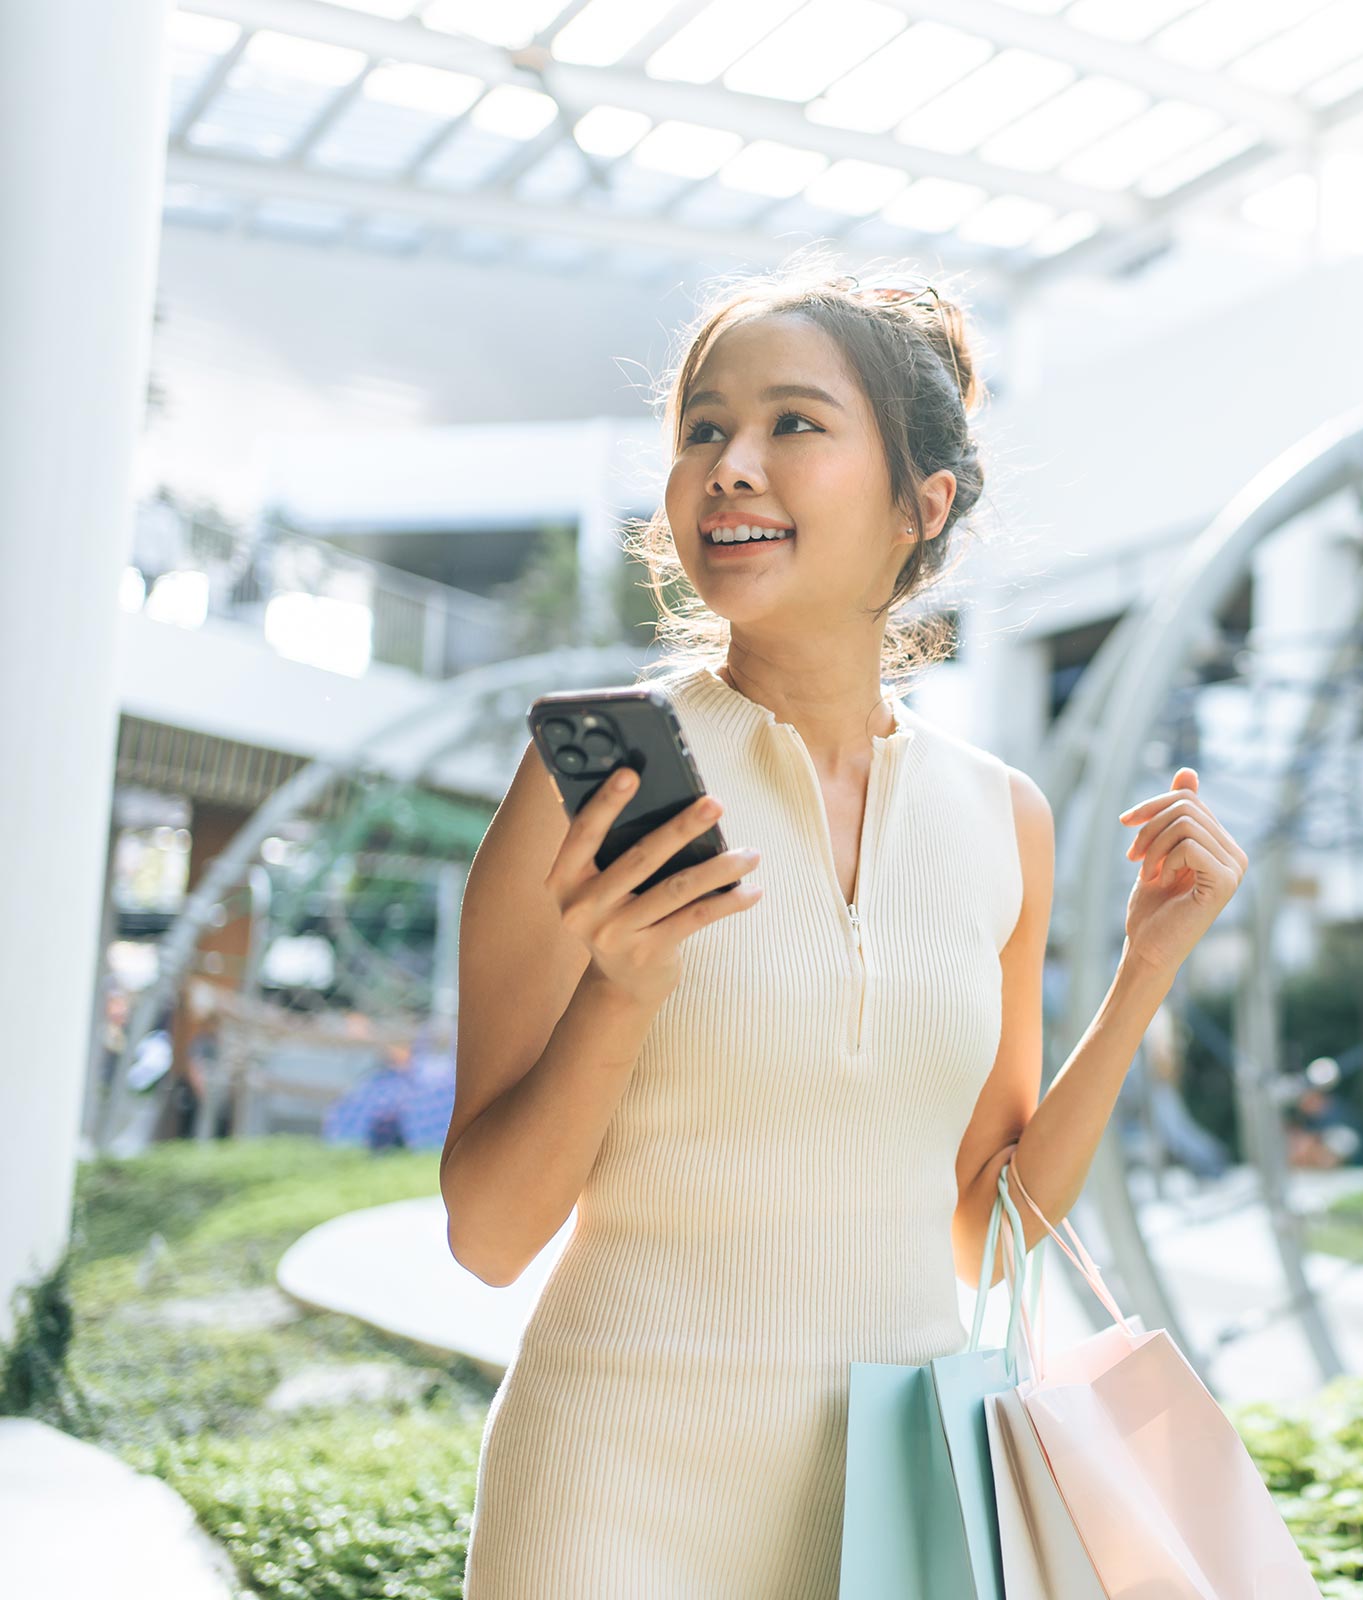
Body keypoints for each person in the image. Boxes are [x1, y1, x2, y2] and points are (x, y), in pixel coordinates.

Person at [442, 253, 1249, 1599]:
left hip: (891, 1507)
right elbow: (487, 1237)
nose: (730, 465)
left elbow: (991, 1217)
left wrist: (1143, 972)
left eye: (793, 425)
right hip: (610, 1490)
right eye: (704, 426)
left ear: (918, 505)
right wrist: (623, 986)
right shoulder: (590, 788)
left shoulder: (1006, 821)